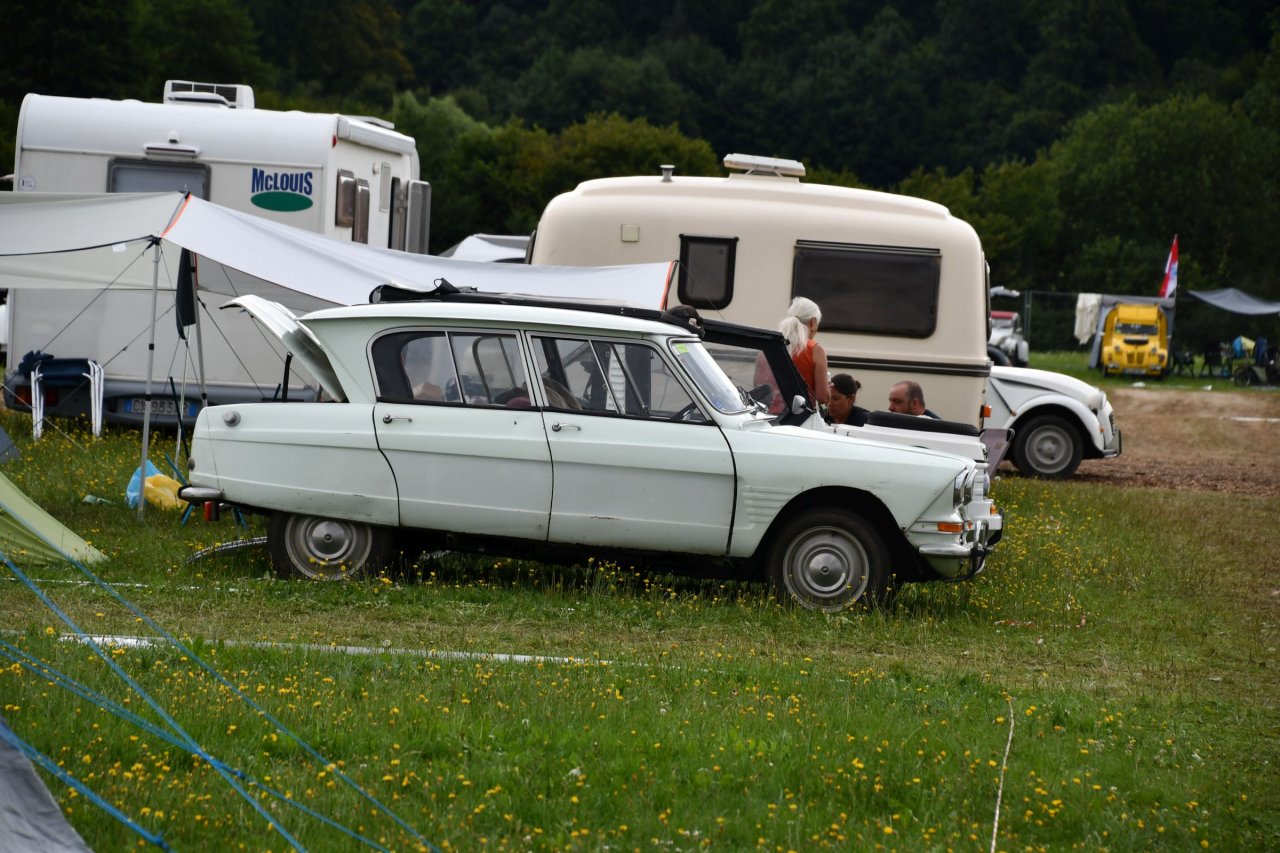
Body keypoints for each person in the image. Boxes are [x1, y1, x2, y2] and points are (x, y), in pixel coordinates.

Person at [778, 296, 829, 406]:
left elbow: (760, 385)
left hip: (769, 413)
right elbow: (822, 397)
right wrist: (827, 386)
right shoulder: (815, 350)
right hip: (800, 414)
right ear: (813, 322)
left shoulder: (772, 344)